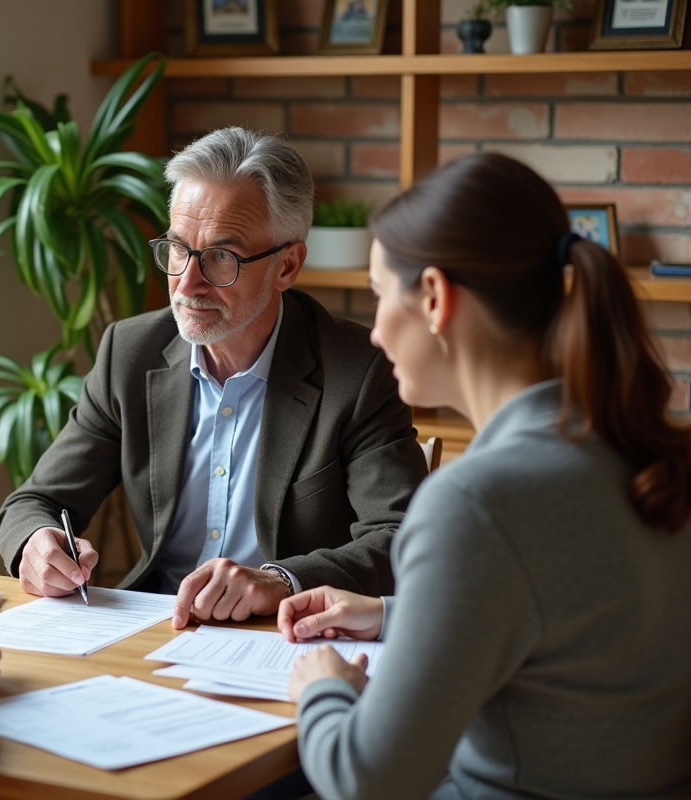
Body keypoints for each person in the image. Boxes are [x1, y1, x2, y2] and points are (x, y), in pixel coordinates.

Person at [281, 152, 691, 799]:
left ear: (435, 298)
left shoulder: (474, 501)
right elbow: (571, 622)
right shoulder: (637, 449)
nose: (376, 333)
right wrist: (392, 615)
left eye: (381, 296)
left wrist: (324, 689)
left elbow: (366, 780)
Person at [0, 127, 428, 629]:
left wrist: (282, 580)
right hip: (154, 627)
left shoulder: (358, 371)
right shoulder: (130, 353)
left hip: (284, 635)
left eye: (222, 256)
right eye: (179, 249)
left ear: (287, 266)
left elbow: (401, 537)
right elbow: (34, 502)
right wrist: (37, 543)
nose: (187, 283)